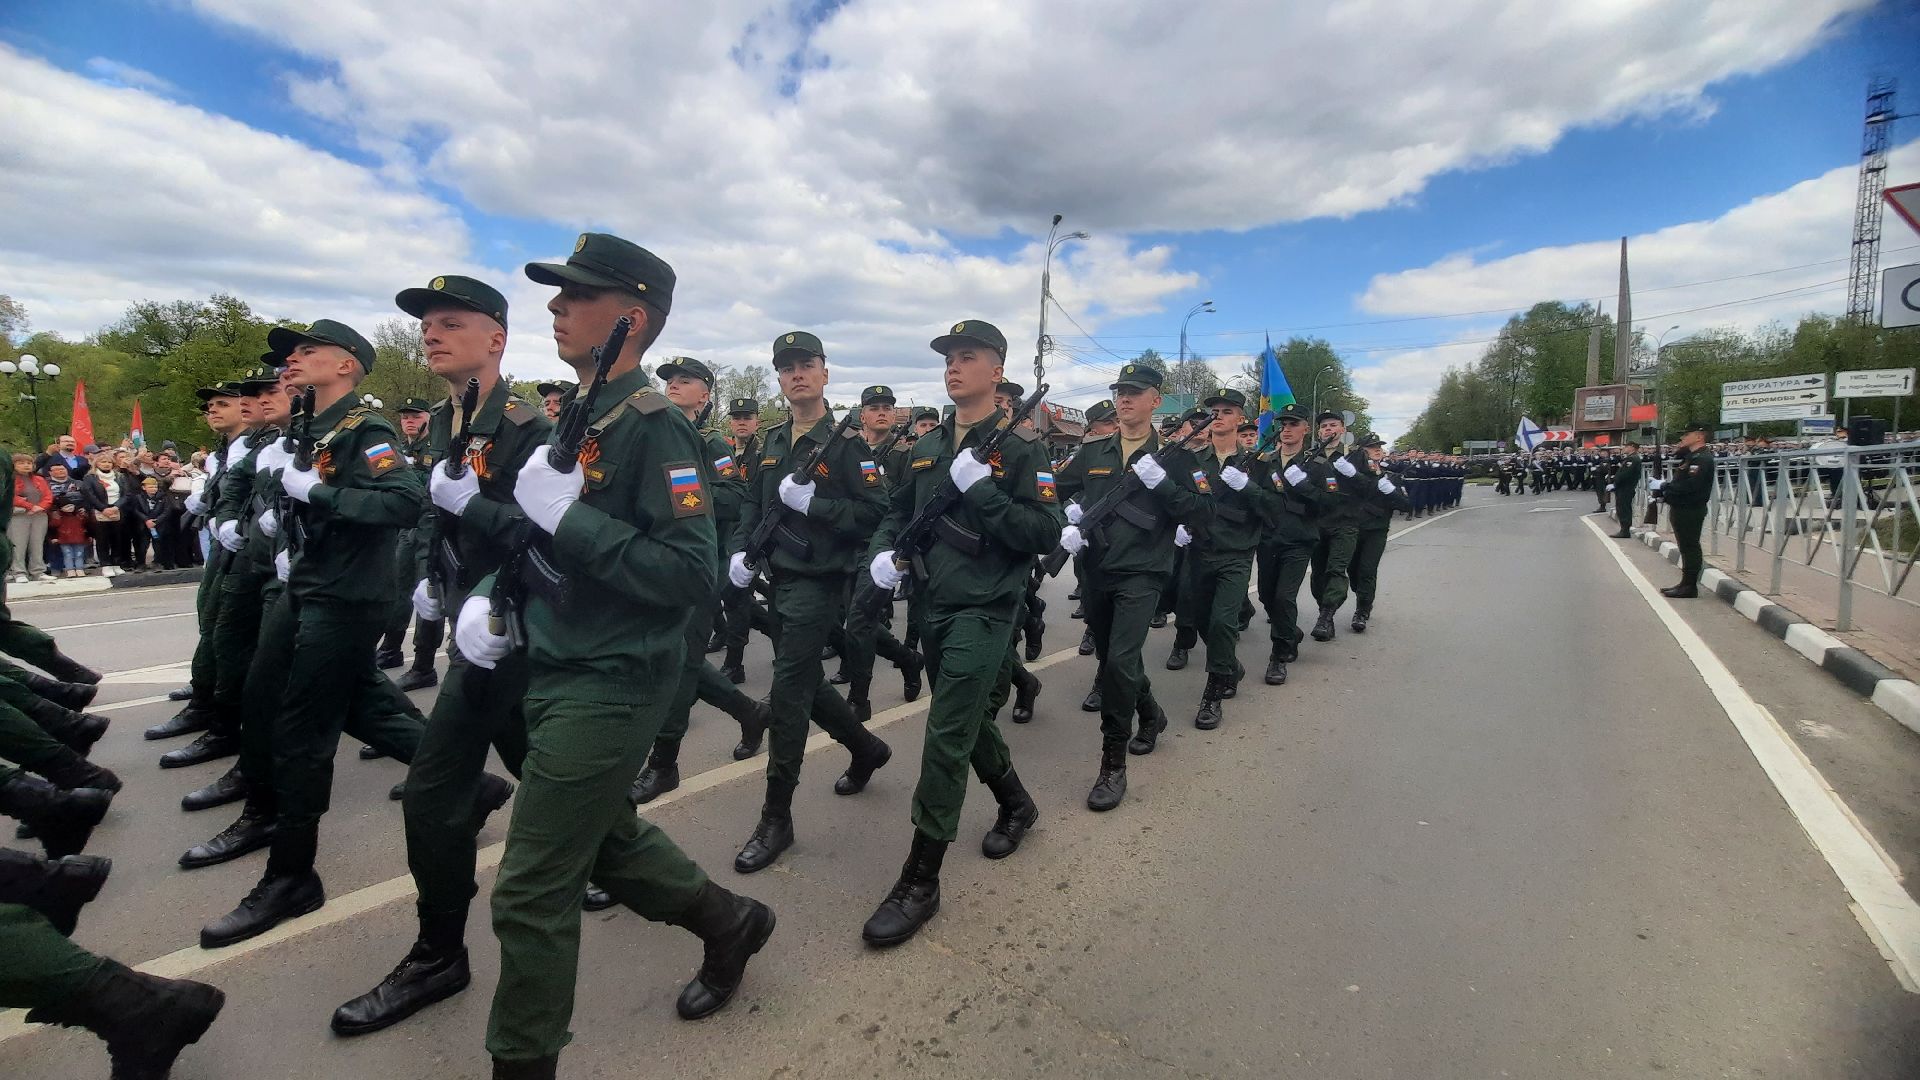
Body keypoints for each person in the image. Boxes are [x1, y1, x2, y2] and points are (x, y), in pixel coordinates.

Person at [451, 233, 773, 1076]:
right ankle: (728, 921)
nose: (556, 307)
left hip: (614, 677)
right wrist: (489, 593)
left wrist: (572, 518)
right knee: (602, 838)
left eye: (577, 295)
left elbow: (688, 574)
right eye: (558, 294)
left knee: (531, 888)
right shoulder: (583, 415)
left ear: (631, 318)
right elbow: (538, 537)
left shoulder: (656, 428)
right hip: (556, 659)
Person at [329, 275, 533, 1037]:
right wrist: (431, 578)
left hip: (513, 636)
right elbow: (437, 518)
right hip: (469, 627)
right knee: (551, 780)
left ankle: (439, 955)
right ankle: (712, 913)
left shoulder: (528, 426)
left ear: (496, 339)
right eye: (426, 325)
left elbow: (546, 533)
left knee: (431, 792)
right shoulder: (447, 420)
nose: (431, 334)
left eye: (451, 322)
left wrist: (485, 590)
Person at [198, 319, 429, 948]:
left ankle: (292, 875)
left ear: (347, 364)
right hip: (306, 580)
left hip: (347, 593)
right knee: (267, 696)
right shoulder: (307, 426)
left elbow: (404, 503)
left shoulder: (366, 429)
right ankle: (462, 776)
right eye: (289, 355)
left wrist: (319, 493)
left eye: (307, 351)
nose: (290, 362)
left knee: (304, 731)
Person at [862, 319, 1062, 947]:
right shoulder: (926, 445)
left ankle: (921, 879)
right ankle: (1017, 802)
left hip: (986, 608)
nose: (953, 366)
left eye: (967, 356)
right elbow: (898, 510)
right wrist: (883, 553)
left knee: (946, 733)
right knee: (968, 720)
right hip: (931, 605)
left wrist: (986, 497)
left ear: (997, 371)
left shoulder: (1023, 449)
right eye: (948, 357)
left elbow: (1046, 532)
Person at [723, 331, 892, 875]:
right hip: (777, 580)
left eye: (806, 364)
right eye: (787, 367)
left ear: (824, 373)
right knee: (806, 680)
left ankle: (776, 817)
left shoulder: (848, 444)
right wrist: (741, 550)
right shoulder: (772, 441)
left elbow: (876, 512)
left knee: (790, 693)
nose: (796, 374)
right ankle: (864, 747)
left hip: (819, 583)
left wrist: (816, 506)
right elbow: (751, 504)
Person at [1052, 363, 1199, 811]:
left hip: (1143, 571)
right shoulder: (1094, 451)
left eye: (1134, 392)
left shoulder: (1177, 458)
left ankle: (1112, 763)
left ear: (1156, 400)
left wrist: (1165, 488)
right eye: (1120, 392)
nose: (1124, 399)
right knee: (1114, 657)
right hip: (1096, 569)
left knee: (1118, 662)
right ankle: (1151, 712)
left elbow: (1203, 512)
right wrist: (1067, 518)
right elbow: (1051, 489)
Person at [628, 355, 771, 806]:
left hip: (698, 564)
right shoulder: (653, 434)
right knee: (680, 657)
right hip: (656, 563)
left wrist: (684, 495)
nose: (673, 385)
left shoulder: (710, 442)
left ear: (704, 395)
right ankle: (750, 712)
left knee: (679, 663)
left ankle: (663, 764)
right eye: (669, 379)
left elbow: (734, 495)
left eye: (685, 380)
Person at [1175, 388, 1265, 729]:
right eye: (1214, 411)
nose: (1219, 417)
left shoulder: (1257, 464)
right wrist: (1178, 525)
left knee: (1223, 621)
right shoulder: (1194, 459)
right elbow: (1179, 498)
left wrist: (1248, 487)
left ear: (1240, 419)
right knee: (1200, 619)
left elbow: (1274, 508)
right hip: (1199, 550)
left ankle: (1212, 695)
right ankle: (1229, 665)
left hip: (1235, 554)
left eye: (1227, 411)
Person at [377, 398, 440, 685]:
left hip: (431, 527)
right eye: (405, 417)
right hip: (406, 528)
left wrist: (410, 471)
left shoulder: (436, 447)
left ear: (428, 418)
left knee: (428, 595)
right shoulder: (399, 448)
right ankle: (391, 648)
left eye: (415, 416)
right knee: (398, 589)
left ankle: (424, 665)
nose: (409, 421)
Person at [1347, 434, 1410, 633]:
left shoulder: (1390, 477)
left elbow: (1406, 505)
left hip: (1376, 531)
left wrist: (1391, 491)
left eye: (1379, 447)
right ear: (1361, 452)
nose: (1377, 450)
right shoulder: (1352, 477)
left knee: (1367, 570)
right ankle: (1363, 595)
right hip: (1352, 529)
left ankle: (1362, 610)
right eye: (1371, 447)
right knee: (1353, 570)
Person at [1651, 423, 1714, 598]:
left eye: (1686, 435)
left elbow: (1691, 486)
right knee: (1685, 547)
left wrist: (1664, 486)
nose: (1682, 438)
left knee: (1690, 546)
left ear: (1699, 436)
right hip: (1682, 507)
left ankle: (1690, 586)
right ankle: (1685, 583)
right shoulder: (1692, 457)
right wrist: (1665, 495)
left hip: (1690, 509)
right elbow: (1682, 483)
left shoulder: (1702, 459)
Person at [10, 454, 51, 583]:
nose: (26, 465)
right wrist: (30, 506)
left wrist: (40, 507)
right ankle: (18, 572)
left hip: (39, 515)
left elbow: (48, 496)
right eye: (21, 463)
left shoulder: (40, 479)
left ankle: (38, 571)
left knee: (37, 544)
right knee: (18, 545)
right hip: (19, 516)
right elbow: (11, 496)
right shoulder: (10, 479)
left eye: (28, 463)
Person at [1610, 442, 1642, 538]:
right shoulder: (1630, 458)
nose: (1624, 448)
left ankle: (1625, 530)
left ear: (1632, 447)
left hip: (1626, 487)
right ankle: (1624, 529)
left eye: (1626, 446)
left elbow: (1626, 473)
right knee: (1621, 507)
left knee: (1624, 508)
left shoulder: (1632, 459)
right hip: (1624, 487)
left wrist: (1616, 481)